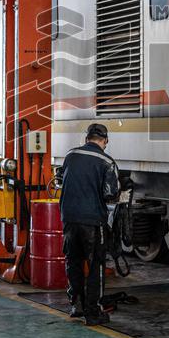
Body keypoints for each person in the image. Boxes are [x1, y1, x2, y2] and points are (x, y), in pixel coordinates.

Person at [59, 123, 119, 326]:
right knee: (96, 265)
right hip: (92, 221)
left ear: (86, 139)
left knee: (73, 261)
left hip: (69, 218)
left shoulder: (70, 155)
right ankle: (93, 313)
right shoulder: (107, 162)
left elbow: (61, 179)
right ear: (105, 141)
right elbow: (110, 194)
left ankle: (76, 305)